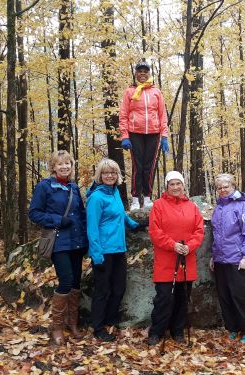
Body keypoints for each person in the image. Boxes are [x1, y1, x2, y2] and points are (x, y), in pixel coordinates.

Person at [28, 150, 88, 345]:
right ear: (53, 166)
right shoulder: (45, 187)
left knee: (76, 282)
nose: (64, 167)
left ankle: (73, 323)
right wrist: (57, 220)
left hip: (77, 242)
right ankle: (57, 327)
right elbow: (34, 213)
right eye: (60, 164)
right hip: (58, 241)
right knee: (66, 280)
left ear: (71, 166)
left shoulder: (73, 187)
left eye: (67, 164)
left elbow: (80, 214)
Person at [85, 158, 146, 342]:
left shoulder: (115, 193)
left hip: (119, 249)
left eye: (113, 172)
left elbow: (121, 214)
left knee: (119, 288)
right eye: (106, 173)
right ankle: (98, 327)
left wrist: (134, 225)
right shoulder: (96, 197)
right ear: (100, 176)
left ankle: (110, 321)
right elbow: (92, 228)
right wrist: (96, 255)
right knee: (102, 291)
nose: (110, 175)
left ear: (117, 175)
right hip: (103, 251)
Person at [146, 171, 204, 345]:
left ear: (183, 185)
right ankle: (157, 331)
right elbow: (155, 232)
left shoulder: (192, 207)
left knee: (182, 298)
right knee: (164, 298)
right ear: (166, 186)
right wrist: (172, 245)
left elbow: (199, 231)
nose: (176, 187)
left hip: (187, 259)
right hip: (166, 260)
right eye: (172, 184)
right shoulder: (158, 205)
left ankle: (177, 330)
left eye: (178, 184)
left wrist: (189, 246)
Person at [210, 173, 245, 344]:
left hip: (238, 260)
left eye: (226, 186)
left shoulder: (242, 206)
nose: (223, 190)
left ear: (233, 186)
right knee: (225, 296)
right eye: (219, 188)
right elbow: (216, 235)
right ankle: (232, 327)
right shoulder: (218, 208)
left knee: (242, 296)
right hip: (220, 260)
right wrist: (213, 255)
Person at [119, 60, 169, 211]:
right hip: (135, 133)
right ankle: (135, 199)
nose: (142, 74)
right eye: (139, 71)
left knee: (149, 166)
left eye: (145, 71)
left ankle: (147, 198)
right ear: (135, 74)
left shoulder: (156, 92)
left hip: (153, 133)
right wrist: (125, 136)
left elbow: (162, 115)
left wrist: (164, 136)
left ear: (149, 74)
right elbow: (123, 115)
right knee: (137, 166)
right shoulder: (129, 91)